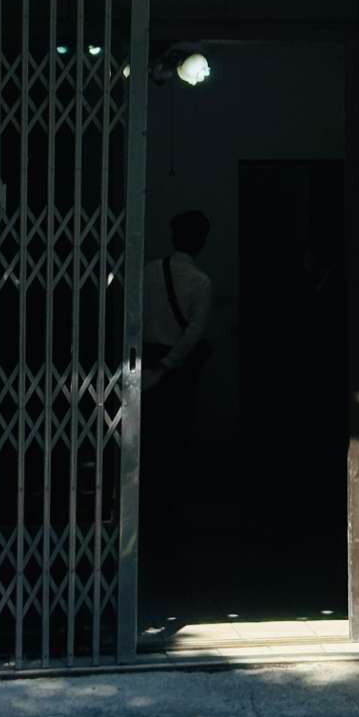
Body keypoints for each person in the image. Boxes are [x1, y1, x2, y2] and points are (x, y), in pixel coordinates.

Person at [140, 211, 213, 541]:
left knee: (148, 443)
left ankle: (145, 516)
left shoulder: (148, 272)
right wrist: (168, 365)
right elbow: (193, 334)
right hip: (177, 371)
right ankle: (168, 519)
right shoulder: (201, 282)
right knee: (176, 444)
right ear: (202, 242)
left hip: (144, 360)